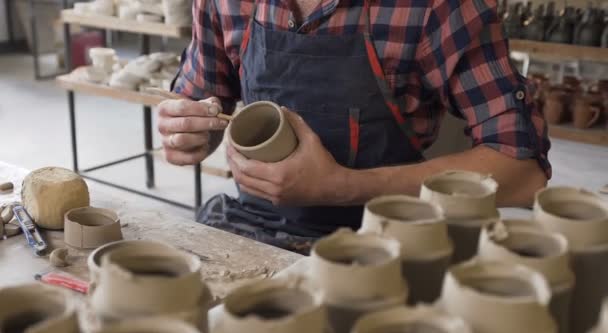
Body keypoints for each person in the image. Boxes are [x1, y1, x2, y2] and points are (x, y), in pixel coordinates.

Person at [158, 0, 550, 254]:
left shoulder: (439, 8)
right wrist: (187, 130)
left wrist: (341, 185)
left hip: (386, 239)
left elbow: (522, 171)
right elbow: (199, 103)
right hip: (253, 227)